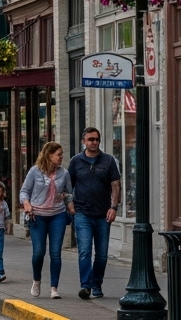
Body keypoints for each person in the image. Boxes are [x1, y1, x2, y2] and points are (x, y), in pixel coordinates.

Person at [68, 127, 122, 300]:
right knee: (84, 251)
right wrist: (70, 203)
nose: (94, 142)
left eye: (97, 139)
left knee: (102, 253)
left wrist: (114, 207)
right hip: (82, 213)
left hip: (103, 214)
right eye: (91, 139)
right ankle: (86, 286)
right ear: (84, 141)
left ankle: (96, 284)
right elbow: (68, 186)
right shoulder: (76, 161)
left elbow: (116, 185)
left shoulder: (108, 161)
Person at [20, 141, 73, 300]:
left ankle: (54, 288)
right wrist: (27, 204)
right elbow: (24, 191)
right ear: (49, 155)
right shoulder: (35, 171)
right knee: (39, 252)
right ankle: (37, 280)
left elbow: (69, 193)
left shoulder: (64, 173)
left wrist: (70, 206)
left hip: (58, 215)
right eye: (58, 154)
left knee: (55, 253)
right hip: (38, 216)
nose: (61, 157)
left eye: (61, 154)